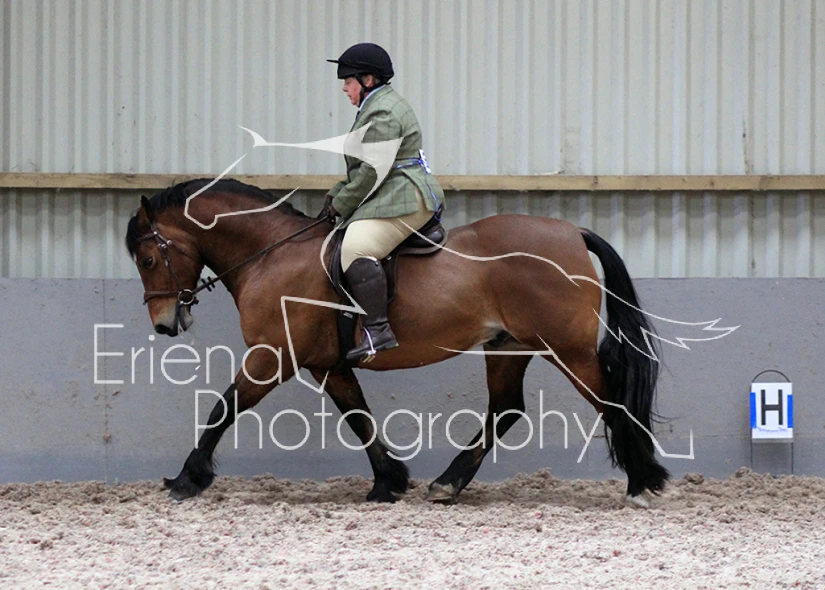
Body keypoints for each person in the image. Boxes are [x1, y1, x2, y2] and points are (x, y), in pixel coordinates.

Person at [319, 42, 445, 363]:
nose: (344, 88)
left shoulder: (383, 112)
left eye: (348, 81)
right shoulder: (377, 105)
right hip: (392, 190)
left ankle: (377, 330)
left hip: (405, 195)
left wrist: (342, 203)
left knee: (356, 249)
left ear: (368, 80)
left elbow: (372, 172)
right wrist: (337, 193)